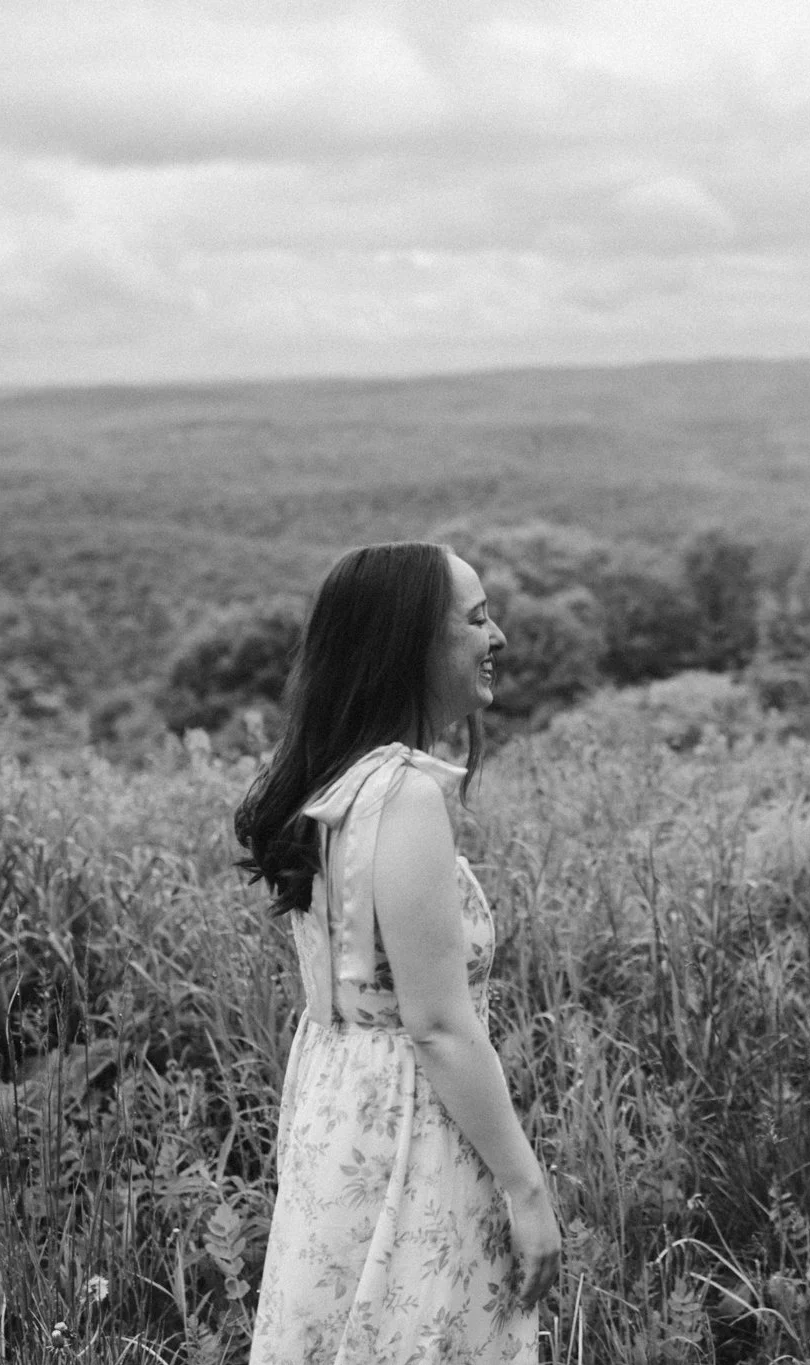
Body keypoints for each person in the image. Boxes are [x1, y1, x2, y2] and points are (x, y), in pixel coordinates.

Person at [235, 541, 559, 1365]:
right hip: (414, 1126)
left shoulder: (334, 783)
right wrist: (526, 1188)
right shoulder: (404, 794)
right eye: (479, 618)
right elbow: (440, 1025)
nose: (501, 637)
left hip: (338, 1115)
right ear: (410, 644)